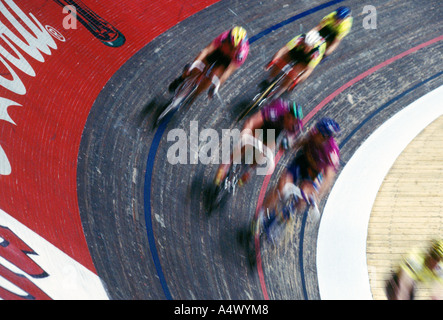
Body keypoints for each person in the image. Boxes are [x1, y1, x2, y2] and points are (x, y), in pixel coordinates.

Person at [260, 117, 341, 217]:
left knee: (303, 198)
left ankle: (286, 218)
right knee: (281, 186)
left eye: (318, 132)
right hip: (302, 161)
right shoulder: (315, 133)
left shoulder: (331, 152)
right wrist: (290, 145)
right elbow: (304, 141)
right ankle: (261, 213)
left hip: (314, 174)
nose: (314, 132)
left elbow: (328, 177)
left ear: (324, 137)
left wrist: (317, 194)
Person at [214, 98, 303, 187]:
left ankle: (249, 171)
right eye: (289, 118)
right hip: (264, 123)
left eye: (292, 122)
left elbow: (288, 144)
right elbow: (252, 121)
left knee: (265, 151)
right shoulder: (278, 109)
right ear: (286, 113)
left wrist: (284, 146)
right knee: (245, 144)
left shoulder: (295, 127)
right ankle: (227, 162)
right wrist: (244, 134)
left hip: (274, 132)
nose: (289, 123)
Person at [168, 26, 249, 98]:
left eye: (234, 47)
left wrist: (216, 86)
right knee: (196, 68)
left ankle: (195, 95)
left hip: (227, 60)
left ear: (239, 47)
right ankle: (181, 78)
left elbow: (228, 71)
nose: (231, 47)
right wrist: (193, 65)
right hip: (218, 51)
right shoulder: (224, 37)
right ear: (228, 38)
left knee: (211, 77)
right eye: (230, 44)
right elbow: (207, 50)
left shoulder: (242, 54)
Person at [263, 29, 326, 94]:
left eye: (308, 47)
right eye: (304, 45)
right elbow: (284, 49)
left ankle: (279, 92)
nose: (305, 49)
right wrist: (274, 60)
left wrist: (297, 80)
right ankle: (269, 79)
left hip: (306, 60)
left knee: (293, 74)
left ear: (312, 46)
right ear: (303, 41)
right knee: (282, 60)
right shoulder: (300, 39)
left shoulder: (316, 53)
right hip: (297, 51)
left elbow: (308, 70)